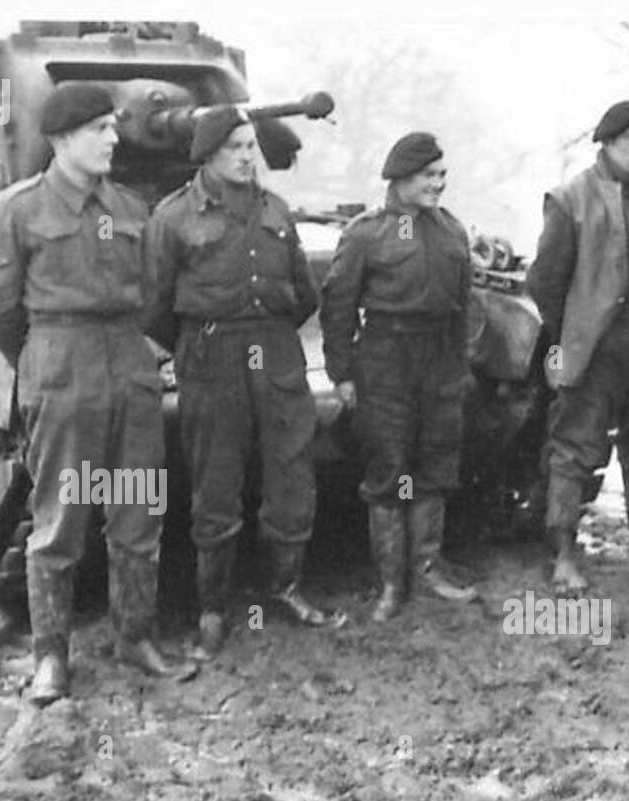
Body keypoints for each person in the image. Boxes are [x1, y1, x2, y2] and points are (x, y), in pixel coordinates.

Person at [0, 82, 195, 705]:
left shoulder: (128, 206)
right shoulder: (18, 210)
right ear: (61, 139)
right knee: (61, 518)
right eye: (99, 129)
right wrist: (45, 358)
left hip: (128, 364)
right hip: (61, 365)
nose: (114, 138)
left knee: (137, 510)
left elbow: (155, 294)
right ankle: (51, 657)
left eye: (112, 127)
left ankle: (136, 636)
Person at [148, 106, 336, 658]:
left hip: (275, 353)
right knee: (216, 484)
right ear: (207, 154)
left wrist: (267, 333)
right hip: (212, 358)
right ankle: (212, 609)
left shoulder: (275, 209)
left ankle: (285, 586)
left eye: (252, 146)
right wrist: (202, 340)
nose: (248, 156)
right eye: (235, 147)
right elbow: (154, 306)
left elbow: (305, 294)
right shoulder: (173, 217)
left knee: (291, 475)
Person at [525, 100, 629, 591]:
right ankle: (562, 553)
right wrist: (570, 335)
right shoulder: (571, 198)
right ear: (607, 142)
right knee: (576, 445)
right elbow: (545, 281)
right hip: (596, 341)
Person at [320, 132, 480, 621]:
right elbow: (338, 306)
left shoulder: (450, 230)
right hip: (385, 357)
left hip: (438, 360)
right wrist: (343, 374)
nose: (439, 184)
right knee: (391, 468)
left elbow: (465, 306)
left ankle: (428, 568)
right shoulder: (366, 233)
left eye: (442, 175)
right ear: (401, 178)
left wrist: (460, 364)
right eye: (429, 176)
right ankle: (392, 581)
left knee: (434, 464)